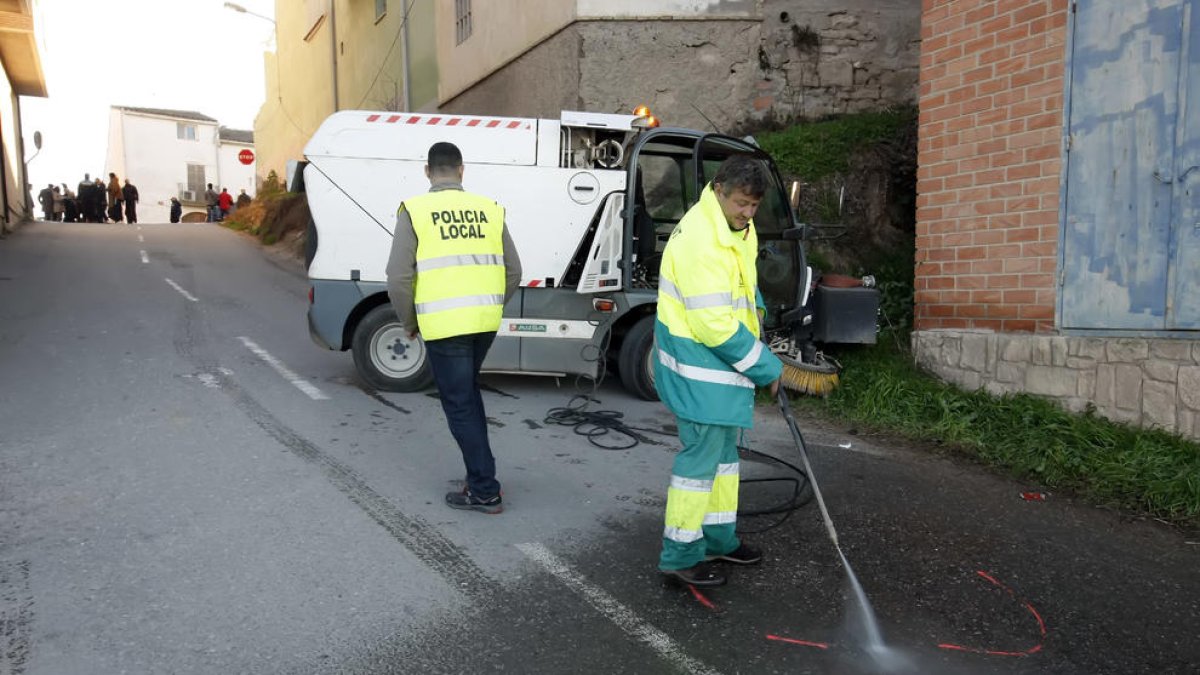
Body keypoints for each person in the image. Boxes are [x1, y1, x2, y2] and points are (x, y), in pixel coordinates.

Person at [653, 155, 783, 587]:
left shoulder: (735, 226)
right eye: (742, 204)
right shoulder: (700, 242)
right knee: (700, 464)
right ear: (719, 189)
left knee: (725, 461)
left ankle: (718, 539)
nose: (748, 214)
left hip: (720, 370)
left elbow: (744, 283)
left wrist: (759, 314)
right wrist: (766, 367)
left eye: (754, 206)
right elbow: (713, 325)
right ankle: (680, 556)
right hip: (698, 368)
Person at [385, 141, 522, 515]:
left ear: (427, 172)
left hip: (444, 326)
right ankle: (481, 476)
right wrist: (490, 305)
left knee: (460, 403)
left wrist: (410, 322)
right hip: (483, 324)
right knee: (468, 396)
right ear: (462, 170)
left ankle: (483, 489)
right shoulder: (489, 209)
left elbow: (397, 278)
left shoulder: (415, 210)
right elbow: (514, 271)